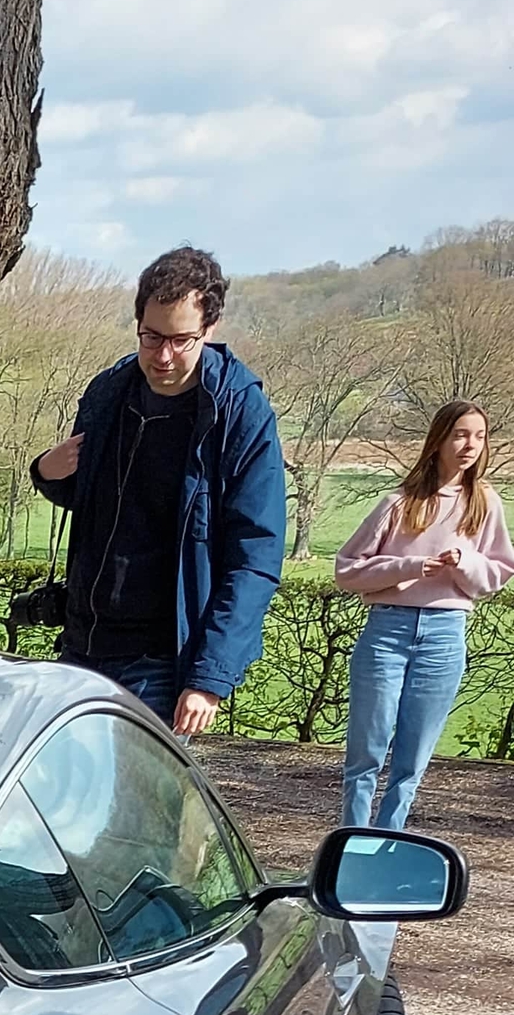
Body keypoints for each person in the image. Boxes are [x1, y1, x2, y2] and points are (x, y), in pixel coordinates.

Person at [30, 244, 286, 736]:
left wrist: (209, 677)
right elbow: (89, 497)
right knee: (65, 803)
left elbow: (255, 555)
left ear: (209, 331)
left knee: (137, 808)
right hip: (85, 641)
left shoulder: (241, 413)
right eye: (151, 337)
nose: (163, 355)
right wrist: (45, 471)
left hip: (167, 657)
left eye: (180, 340)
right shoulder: (108, 392)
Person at [333, 402, 510, 828]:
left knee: (412, 760)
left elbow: (494, 577)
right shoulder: (400, 502)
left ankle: (390, 844)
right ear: (439, 440)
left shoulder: (484, 503)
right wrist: (411, 567)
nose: (470, 445)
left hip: (445, 636)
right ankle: (352, 844)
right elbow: (347, 570)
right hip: (386, 631)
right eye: (460, 434)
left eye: (479, 436)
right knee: (366, 754)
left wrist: (464, 561)